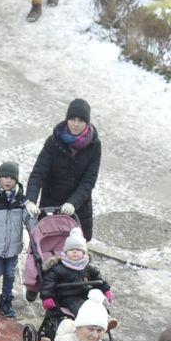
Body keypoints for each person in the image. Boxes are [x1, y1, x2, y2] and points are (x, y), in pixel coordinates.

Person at [26, 99, 101, 241]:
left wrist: (73, 202)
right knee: (48, 246)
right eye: (72, 119)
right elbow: (39, 172)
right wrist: (31, 199)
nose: (76, 124)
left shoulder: (94, 146)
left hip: (78, 209)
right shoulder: (53, 142)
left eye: (81, 120)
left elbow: (89, 180)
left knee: (75, 249)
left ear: (87, 122)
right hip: (51, 205)